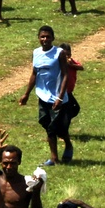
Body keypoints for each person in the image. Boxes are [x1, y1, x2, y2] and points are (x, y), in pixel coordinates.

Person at [20, 26, 72, 166]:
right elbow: (34, 74)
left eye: (48, 37)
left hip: (57, 98)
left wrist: (60, 97)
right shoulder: (36, 53)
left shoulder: (59, 53)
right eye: (42, 36)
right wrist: (26, 94)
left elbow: (65, 75)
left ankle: (67, 144)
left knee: (57, 128)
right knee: (46, 124)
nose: (45, 39)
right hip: (43, 97)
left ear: (53, 38)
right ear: (38, 38)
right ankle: (54, 158)